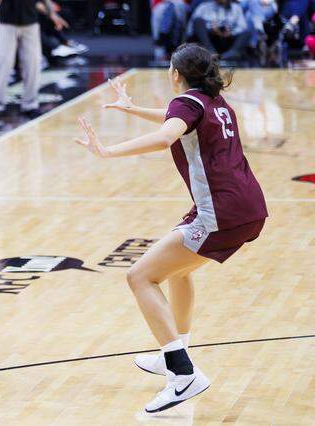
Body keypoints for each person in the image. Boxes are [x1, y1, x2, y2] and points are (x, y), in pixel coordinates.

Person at [74, 43, 267, 412]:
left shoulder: (187, 104)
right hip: (248, 207)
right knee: (178, 273)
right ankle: (177, 350)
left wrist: (107, 151)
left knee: (139, 276)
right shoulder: (214, 103)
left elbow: (167, 135)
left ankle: (182, 373)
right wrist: (132, 109)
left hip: (220, 212)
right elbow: (177, 120)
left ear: (175, 74)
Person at [0, 0, 68, 118]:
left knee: (33, 63)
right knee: (2, 62)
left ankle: (30, 104)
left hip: (30, 22)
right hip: (6, 21)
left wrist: (53, 15)